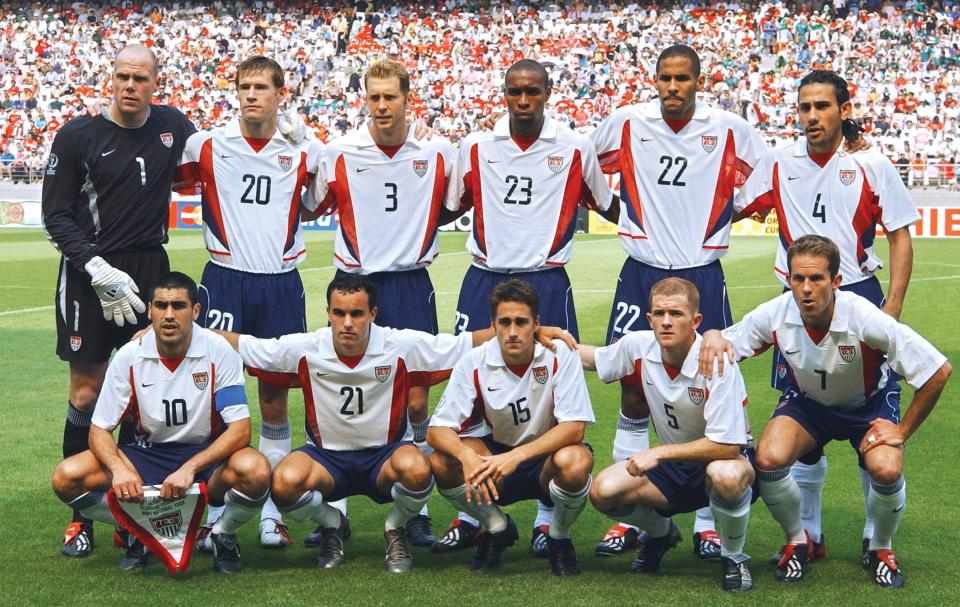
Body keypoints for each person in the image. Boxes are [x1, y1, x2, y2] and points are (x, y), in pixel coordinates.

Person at [214, 274, 574, 573]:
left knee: (419, 468)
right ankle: (332, 525)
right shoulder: (307, 347)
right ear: (328, 313)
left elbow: (462, 344)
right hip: (325, 458)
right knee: (284, 483)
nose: (348, 323)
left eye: (357, 313)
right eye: (339, 314)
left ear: (373, 313)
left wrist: (536, 331)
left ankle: (394, 529)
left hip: (385, 457)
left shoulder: (398, 344)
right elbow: (246, 345)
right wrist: (185, 332)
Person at [587, 44, 767, 560]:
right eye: (664, 78)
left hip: (701, 272)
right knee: (631, 389)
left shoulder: (730, 127)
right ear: (654, 79)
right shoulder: (625, 122)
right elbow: (588, 169)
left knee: (712, 383)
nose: (672, 87)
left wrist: (730, 212)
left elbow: (761, 178)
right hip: (641, 269)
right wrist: (617, 209)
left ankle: (710, 518)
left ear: (697, 80)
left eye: (682, 78)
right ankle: (631, 514)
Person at [735, 70, 920, 563]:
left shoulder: (872, 164)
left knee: (873, 416)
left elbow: (900, 233)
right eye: (804, 108)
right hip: (798, 302)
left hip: (858, 292)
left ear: (843, 109)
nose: (812, 117)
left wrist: (894, 307)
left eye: (821, 106)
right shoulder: (778, 162)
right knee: (804, 416)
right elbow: (736, 205)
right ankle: (809, 532)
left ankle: (875, 537)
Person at [699, 235, 951, 587]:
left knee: (886, 466)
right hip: (809, 405)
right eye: (797, 278)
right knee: (769, 458)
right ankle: (799, 540)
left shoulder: (864, 317)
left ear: (836, 281)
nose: (805, 288)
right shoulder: (777, 312)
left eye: (816, 279)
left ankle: (879, 546)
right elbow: (726, 343)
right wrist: (712, 333)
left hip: (868, 406)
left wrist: (903, 430)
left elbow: (937, 370)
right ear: (788, 279)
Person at [438, 58, 614, 557]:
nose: (522, 100)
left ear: (547, 93)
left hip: (547, 280)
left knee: (556, 389)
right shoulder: (475, 145)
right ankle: (470, 511)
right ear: (503, 93)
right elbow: (452, 205)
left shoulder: (576, 147)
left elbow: (606, 203)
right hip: (485, 279)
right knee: (468, 386)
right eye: (514, 91)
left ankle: (544, 515)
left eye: (532, 92)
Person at [41, 44, 197, 558]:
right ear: (111, 79)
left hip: (149, 270)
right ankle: (79, 516)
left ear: (157, 81)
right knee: (87, 394)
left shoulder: (175, 125)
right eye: (121, 77)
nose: (129, 86)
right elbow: (56, 215)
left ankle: (131, 509)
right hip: (90, 275)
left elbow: (218, 157)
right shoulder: (78, 136)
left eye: (139, 78)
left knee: (140, 389)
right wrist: (95, 267)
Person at [174, 55, 323, 550]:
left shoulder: (302, 149)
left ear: (282, 93)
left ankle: (272, 514)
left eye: (262, 86)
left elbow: (318, 198)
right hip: (224, 279)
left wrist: (307, 142)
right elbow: (168, 181)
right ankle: (214, 505)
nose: (252, 94)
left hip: (281, 281)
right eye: (244, 86)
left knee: (275, 396)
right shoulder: (207, 145)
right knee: (214, 393)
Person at [309, 58, 458, 547]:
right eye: (372, 97)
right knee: (338, 389)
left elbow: (457, 202)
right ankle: (335, 505)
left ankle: (414, 508)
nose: (380, 105)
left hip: (412, 281)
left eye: (389, 96)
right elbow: (315, 203)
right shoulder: (340, 151)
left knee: (416, 398)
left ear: (406, 97)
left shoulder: (437, 152)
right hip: (355, 282)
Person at [50, 272, 272, 574]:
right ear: (150, 311)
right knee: (67, 477)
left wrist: (191, 467)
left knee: (256, 471)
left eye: (178, 306)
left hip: (205, 457)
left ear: (195, 312)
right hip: (147, 455)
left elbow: (240, 429)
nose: (169, 315)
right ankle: (139, 530)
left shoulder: (218, 350)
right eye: (161, 305)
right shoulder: (130, 355)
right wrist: (119, 469)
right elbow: (99, 430)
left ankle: (222, 534)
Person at [579, 278, 756, 593]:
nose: (666, 322)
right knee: (603, 492)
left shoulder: (716, 360)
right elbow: (594, 358)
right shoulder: (639, 345)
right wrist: (548, 338)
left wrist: (658, 453)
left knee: (726, 475)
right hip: (676, 465)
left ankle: (734, 557)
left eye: (675, 314)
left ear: (695, 321)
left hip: (726, 462)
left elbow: (729, 446)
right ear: (649, 319)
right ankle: (662, 534)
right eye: (659, 314)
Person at [428, 279, 595, 576]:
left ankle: (558, 537)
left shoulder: (560, 354)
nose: (514, 331)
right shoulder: (474, 361)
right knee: (443, 460)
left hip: (546, 457)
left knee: (576, 460)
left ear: (537, 324)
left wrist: (517, 457)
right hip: (498, 458)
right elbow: (437, 430)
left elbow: (574, 429)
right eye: (505, 322)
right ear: (493, 325)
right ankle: (497, 527)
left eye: (522, 322)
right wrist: (468, 458)